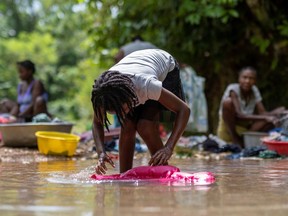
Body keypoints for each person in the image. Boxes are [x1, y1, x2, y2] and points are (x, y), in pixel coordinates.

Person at [91, 49, 190, 174]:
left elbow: (184, 110)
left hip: (165, 67)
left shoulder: (147, 85)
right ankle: (125, 176)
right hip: (136, 68)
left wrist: (169, 147)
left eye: (123, 109)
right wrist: (101, 153)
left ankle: (163, 171)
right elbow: (97, 123)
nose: (122, 113)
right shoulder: (103, 94)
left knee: (145, 126)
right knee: (127, 125)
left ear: (130, 97)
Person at [217, 66, 286, 146]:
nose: (247, 81)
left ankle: (244, 140)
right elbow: (239, 115)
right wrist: (266, 117)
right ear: (239, 78)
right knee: (227, 102)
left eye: (251, 78)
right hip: (230, 128)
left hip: (245, 128)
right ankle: (235, 139)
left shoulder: (254, 90)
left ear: (255, 80)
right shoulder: (233, 89)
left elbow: (262, 112)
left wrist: (279, 113)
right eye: (244, 77)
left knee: (279, 112)